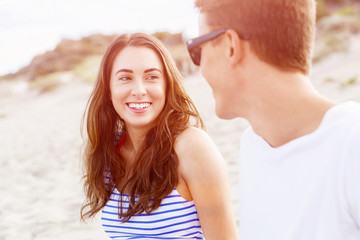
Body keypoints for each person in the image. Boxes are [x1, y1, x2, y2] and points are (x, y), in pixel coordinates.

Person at [186, 0, 360, 239]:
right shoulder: (254, 145)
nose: (200, 66)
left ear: (230, 46)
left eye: (197, 49)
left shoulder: (352, 145)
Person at [81, 33, 238, 239]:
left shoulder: (191, 146)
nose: (139, 90)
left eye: (151, 77)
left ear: (167, 85)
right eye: (125, 78)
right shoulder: (108, 151)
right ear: (108, 90)